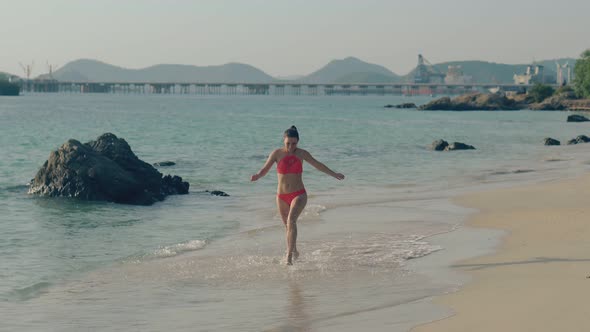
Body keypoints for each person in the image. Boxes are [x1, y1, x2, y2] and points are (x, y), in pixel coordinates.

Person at [250, 126, 345, 265]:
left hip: (299, 194)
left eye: (294, 143)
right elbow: (264, 169)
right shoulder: (276, 153)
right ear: (284, 140)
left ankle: (288, 257)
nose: (291, 146)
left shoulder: (302, 154)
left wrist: (334, 174)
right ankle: (294, 251)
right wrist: (257, 176)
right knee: (288, 227)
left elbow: (318, 165)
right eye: (288, 143)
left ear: (298, 142)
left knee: (291, 221)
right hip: (281, 197)